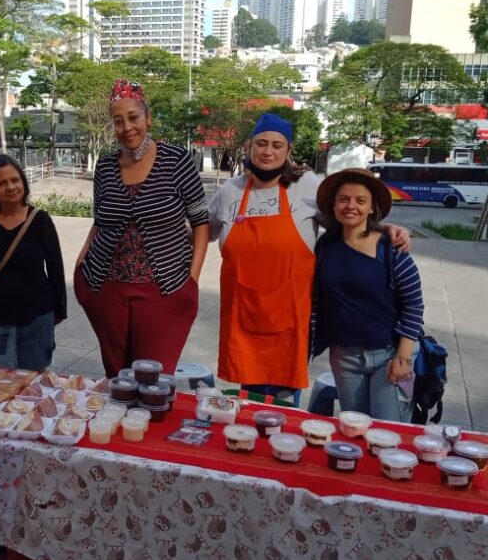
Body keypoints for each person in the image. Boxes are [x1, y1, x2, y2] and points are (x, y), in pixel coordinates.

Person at [208, 113, 410, 404]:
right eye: (261, 143)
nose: (268, 151)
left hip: (290, 319)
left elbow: (347, 217)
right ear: (249, 147)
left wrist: (383, 229)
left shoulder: (307, 185)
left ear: (288, 151)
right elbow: (205, 231)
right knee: (248, 403)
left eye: (277, 145)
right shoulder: (231, 191)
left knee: (282, 409)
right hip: (243, 318)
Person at [75, 79, 209, 378]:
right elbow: (100, 222)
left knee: (154, 380)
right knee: (118, 380)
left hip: (164, 289)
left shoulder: (177, 160)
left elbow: (200, 222)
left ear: (147, 118)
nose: (127, 127)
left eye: (133, 117)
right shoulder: (106, 166)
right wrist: (81, 264)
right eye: (118, 121)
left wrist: (193, 279)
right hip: (106, 288)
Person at [312, 168, 424, 422]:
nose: (351, 206)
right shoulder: (325, 246)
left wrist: (403, 357)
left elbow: (414, 304)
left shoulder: (392, 249)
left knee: (388, 433)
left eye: (360, 201)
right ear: (333, 205)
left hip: (389, 354)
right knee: (354, 430)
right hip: (344, 357)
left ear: (372, 208)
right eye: (344, 199)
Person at [0, 154, 66, 370]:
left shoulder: (40, 220)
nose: (10, 187)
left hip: (37, 316)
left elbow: (55, 268)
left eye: (15, 180)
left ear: (23, 182)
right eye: (1, 183)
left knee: (33, 382)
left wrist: (59, 311)